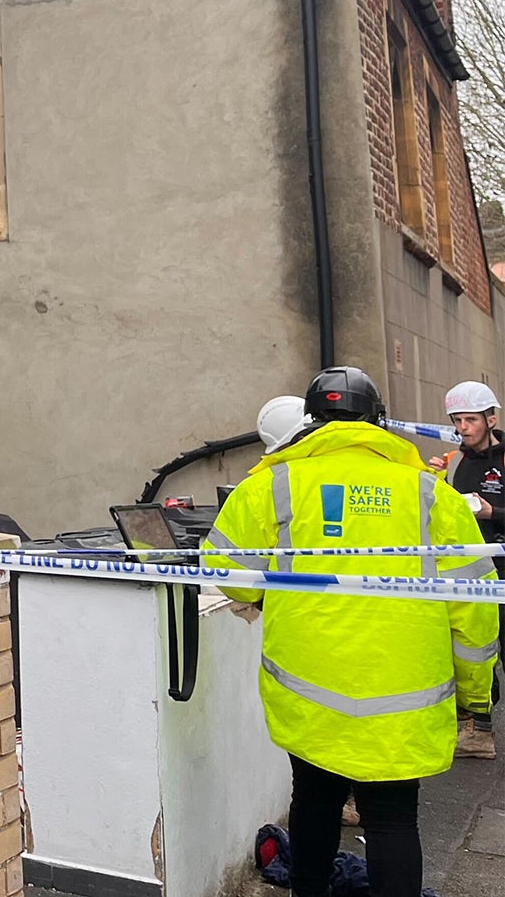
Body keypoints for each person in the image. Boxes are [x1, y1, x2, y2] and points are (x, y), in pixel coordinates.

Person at [203, 366, 498, 897]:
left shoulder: (272, 484)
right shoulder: (431, 494)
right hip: (404, 694)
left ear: (312, 422)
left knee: (313, 801)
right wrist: (475, 697)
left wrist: (270, 591)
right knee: (393, 818)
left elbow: (225, 570)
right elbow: (474, 608)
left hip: (307, 689)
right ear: (379, 421)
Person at [435, 380, 505, 758]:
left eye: (471, 420)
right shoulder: (455, 460)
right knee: (477, 653)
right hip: (472, 573)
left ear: (490, 420)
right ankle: (479, 732)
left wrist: (493, 513)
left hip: (503, 570)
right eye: (457, 420)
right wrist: (436, 481)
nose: (463, 427)